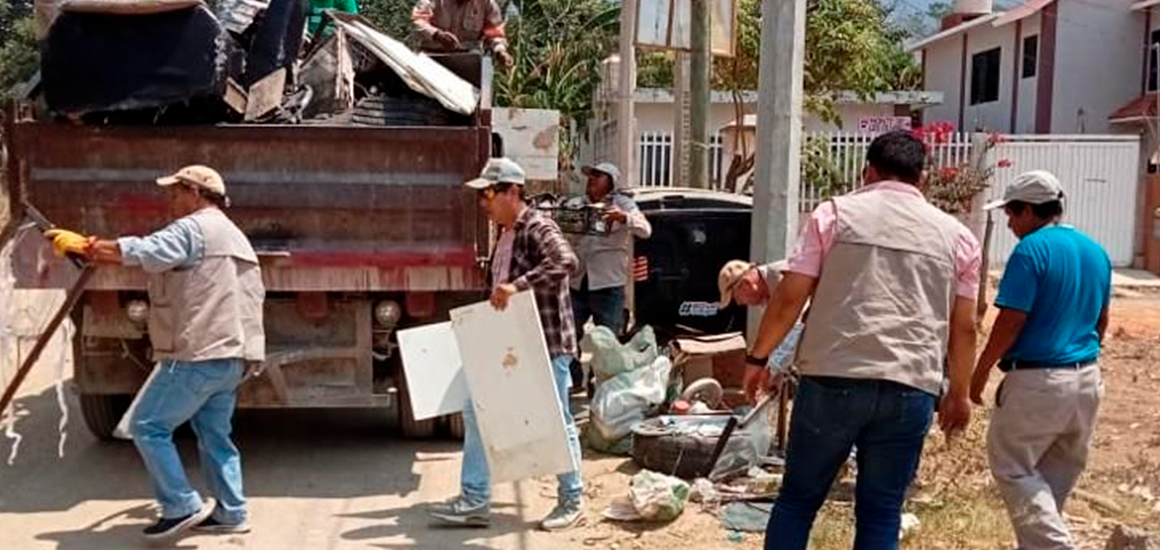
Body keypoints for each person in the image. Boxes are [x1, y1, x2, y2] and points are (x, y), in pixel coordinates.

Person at [743, 130, 981, 550]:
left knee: (797, 501)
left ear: (867, 172)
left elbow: (790, 297)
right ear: (923, 179)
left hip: (832, 380)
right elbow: (965, 327)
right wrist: (959, 394)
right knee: (882, 512)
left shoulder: (833, 215)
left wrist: (758, 359)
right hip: (911, 387)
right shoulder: (958, 237)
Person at [45, 165, 265, 541]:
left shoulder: (192, 228)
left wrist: (87, 246)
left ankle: (181, 505)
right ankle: (231, 512)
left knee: (147, 426)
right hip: (232, 356)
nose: (170, 199)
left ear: (195, 193)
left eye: (176, 192)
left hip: (197, 355)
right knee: (215, 436)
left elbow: (144, 250)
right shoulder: (234, 235)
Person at [427, 157, 585, 531]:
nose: (484, 203)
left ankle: (572, 499)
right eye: (481, 196)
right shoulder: (506, 233)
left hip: (545, 346)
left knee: (557, 422)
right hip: (511, 348)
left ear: (512, 192)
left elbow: (566, 261)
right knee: (477, 411)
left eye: (489, 195)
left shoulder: (536, 226)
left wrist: (517, 286)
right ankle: (474, 498)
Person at [970, 170, 1111, 550]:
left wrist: (980, 373)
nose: (1010, 224)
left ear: (1029, 210)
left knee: (1013, 468)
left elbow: (1011, 320)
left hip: (1038, 380)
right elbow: (1101, 321)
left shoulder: (1031, 250)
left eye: (1012, 214)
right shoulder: (1095, 251)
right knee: (1053, 480)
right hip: (1086, 378)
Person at [567, 162, 652, 389]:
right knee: (568, 332)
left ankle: (600, 384)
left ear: (611, 182)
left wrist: (623, 217)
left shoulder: (623, 204)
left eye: (598, 176)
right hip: (578, 280)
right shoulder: (579, 204)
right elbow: (567, 235)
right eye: (590, 175)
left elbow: (645, 230)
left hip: (608, 283)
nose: (591, 179)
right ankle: (573, 379)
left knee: (606, 340)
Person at [717, 259, 802, 402]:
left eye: (737, 298)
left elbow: (796, 329)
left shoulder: (783, 278)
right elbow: (774, 337)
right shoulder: (767, 295)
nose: (740, 304)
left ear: (746, 284)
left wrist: (772, 369)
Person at [411, 0, 514, 67]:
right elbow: (417, 21)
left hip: (468, 62)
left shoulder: (487, 4)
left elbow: (495, 34)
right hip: (431, 58)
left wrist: (500, 51)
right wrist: (436, 34)